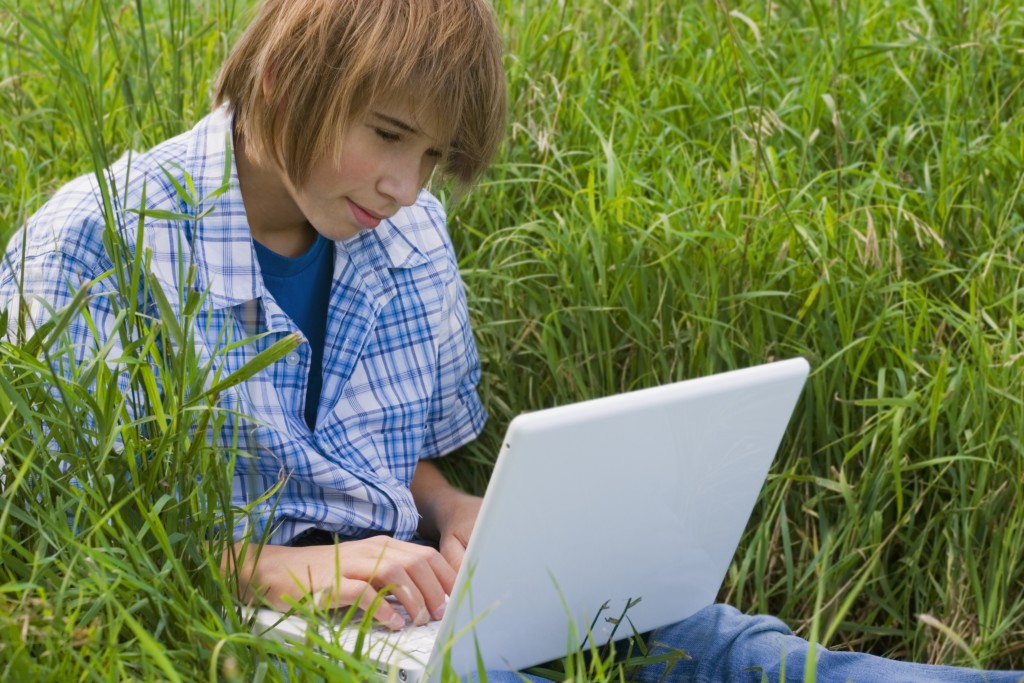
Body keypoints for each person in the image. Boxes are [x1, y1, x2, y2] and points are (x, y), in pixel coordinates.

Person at [0, 1, 1019, 681]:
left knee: (726, 645)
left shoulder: (403, 229)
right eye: (389, 134)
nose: (405, 184)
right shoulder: (98, 236)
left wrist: (458, 508)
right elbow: (60, 532)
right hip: (254, 626)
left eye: (434, 155)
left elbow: (405, 454)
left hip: (419, 589)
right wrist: (264, 567)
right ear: (281, 79)